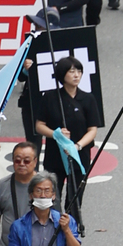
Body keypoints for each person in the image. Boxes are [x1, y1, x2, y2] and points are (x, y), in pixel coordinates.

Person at [36, 56, 101, 214]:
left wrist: (77, 145)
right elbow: (39, 126)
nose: (76, 75)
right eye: (72, 71)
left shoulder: (88, 98)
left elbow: (92, 129)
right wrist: (56, 134)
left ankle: (72, 230)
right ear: (62, 74)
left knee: (75, 199)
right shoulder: (51, 97)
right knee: (52, 196)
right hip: (55, 155)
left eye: (79, 71)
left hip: (79, 156)